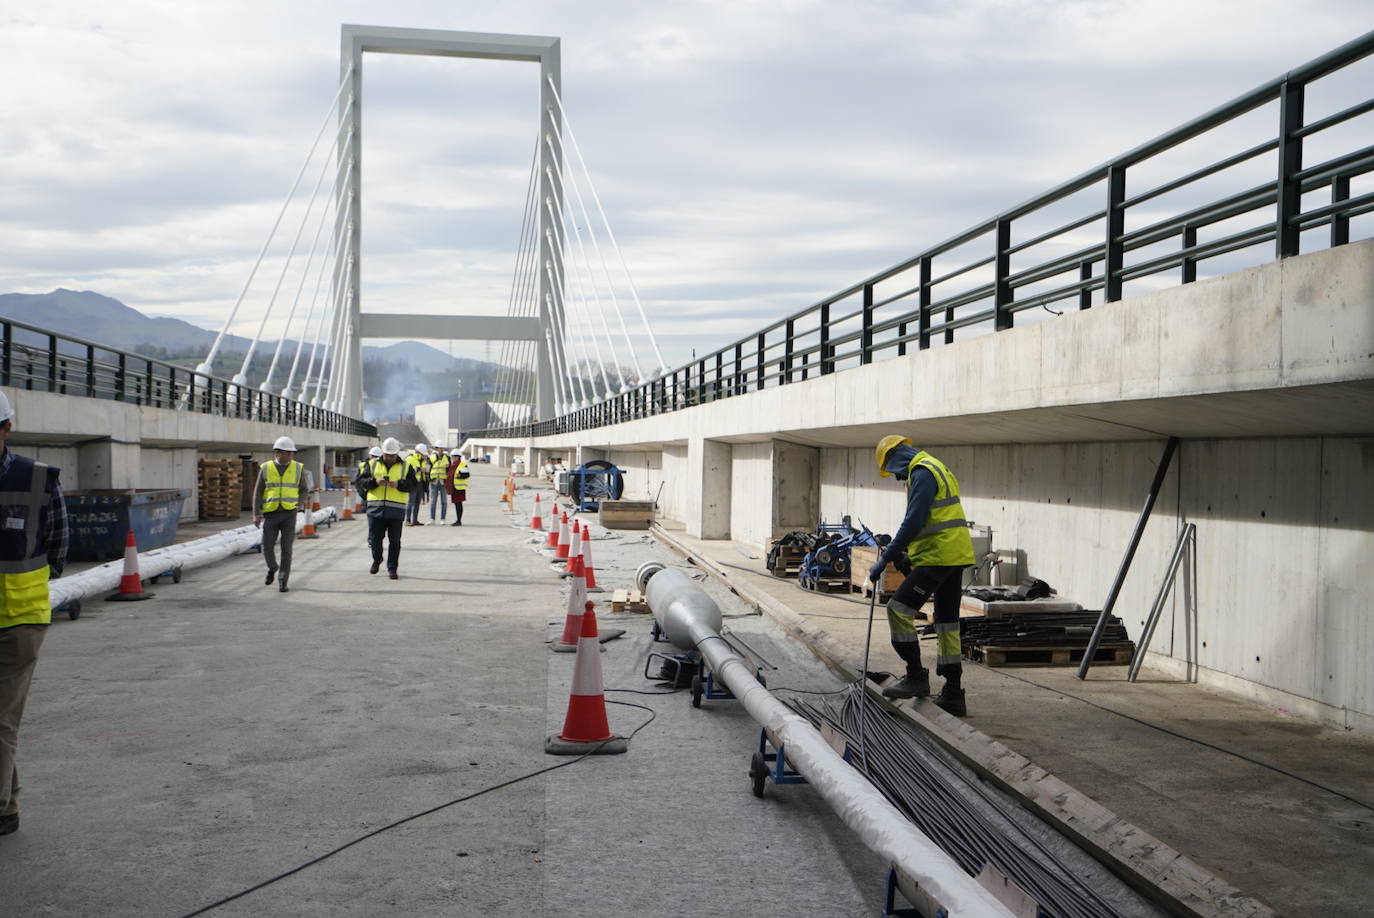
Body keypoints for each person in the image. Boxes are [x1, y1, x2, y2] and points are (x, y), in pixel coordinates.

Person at [868, 435, 974, 716]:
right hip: (954, 554)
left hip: (939, 556)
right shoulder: (936, 466)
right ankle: (953, 692)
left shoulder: (922, 472)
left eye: (893, 471)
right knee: (947, 623)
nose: (897, 477)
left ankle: (916, 676)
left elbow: (914, 520)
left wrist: (886, 559)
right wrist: (907, 556)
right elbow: (933, 521)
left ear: (895, 457)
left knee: (898, 610)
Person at [0, 390, 67, 836]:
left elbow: (58, 545)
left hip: (19, 619)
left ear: (6, 428)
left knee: (2, 717)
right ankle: (6, 805)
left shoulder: (38, 478)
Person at [252, 437, 314, 593]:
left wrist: (298, 504)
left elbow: (304, 489)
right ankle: (273, 567)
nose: (291, 456)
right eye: (288, 453)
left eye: (292, 453)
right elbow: (258, 492)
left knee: (287, 548)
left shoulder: (297, 468)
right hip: (271, 513)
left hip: (289, 514)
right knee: (267, 546)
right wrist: (256, 514)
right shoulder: (266, 468)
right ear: (278, 452)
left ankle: (283, 579)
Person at [355, 437, 415, 579]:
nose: (389, 458)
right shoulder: (371, 465)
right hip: (375, 510)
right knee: (375, 540)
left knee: (395, 542)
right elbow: (360, 482)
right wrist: (375, 482)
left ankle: (392, 568)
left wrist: (399, 484)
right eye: (387, 455)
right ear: (383, 453)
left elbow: (413, 484)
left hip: (396, 511)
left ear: (397, 453)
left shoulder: (406, 467)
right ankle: (377, 560)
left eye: (392, 455)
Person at [404, 443, 430, 526]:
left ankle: (415, 520)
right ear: (420, 453)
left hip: (420, 483)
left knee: (417, 502)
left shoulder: (422, 461)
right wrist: (419, 469)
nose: (424, 456)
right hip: (412, 483)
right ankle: (407, 520)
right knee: (410, 502)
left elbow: (425, 470)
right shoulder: (410, 458)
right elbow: (406, 470)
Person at [444, 449, 470, 526]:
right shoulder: (452, 465)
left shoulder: (462, 465)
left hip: (459, 488)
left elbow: (467, 475)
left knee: (459, 504)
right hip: (454, 488)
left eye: (454, 456)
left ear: (458, 457)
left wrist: (460, 475)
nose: (452, 458)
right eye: (452, 456)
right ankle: (458, 520)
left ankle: (459, 520)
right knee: (456, 504)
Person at [428, 447, 451, 523]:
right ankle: (432, 519)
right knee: (433, 501)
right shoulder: (431, 457)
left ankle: (443, 519)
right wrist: (429, 479)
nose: (441, 450)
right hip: (434, 481)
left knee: (444, 502)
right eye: (439, 448)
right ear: (436, 449)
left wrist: (448, 467)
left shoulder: (447, 458)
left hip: (443, 482)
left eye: (442, 448)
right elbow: (428, 469)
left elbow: (450, 470)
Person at [358, 446, 382, 516]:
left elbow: (358, 481)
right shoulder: (365, 465)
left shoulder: (380, 465)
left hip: (372, 493)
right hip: (367, 491)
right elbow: (359, 480)